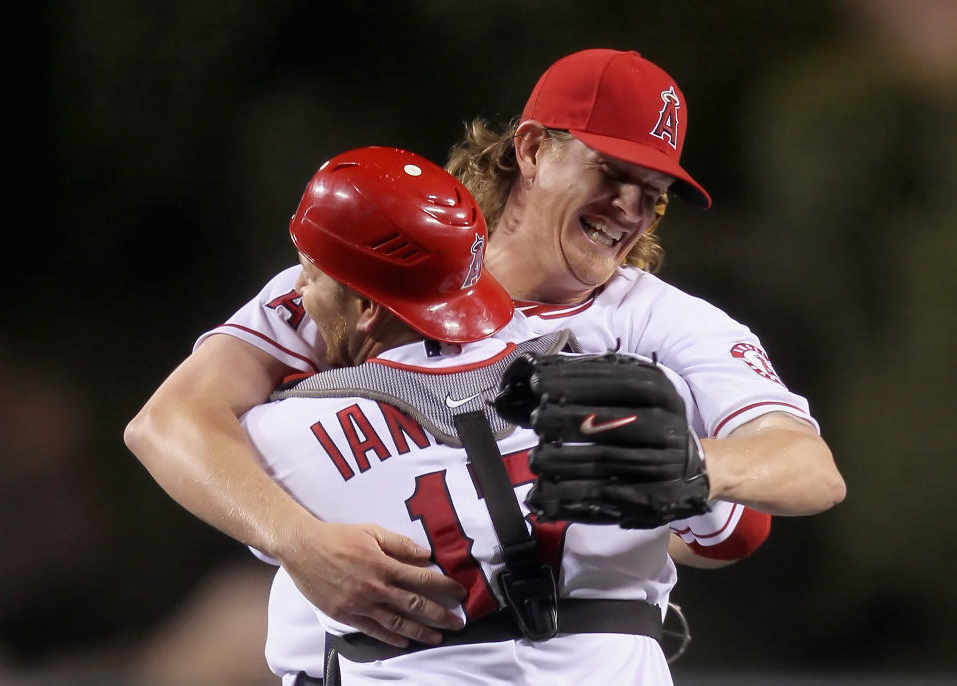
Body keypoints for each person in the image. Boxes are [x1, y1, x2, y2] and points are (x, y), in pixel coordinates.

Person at [124, 48, 845, 650]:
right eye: (612, 173)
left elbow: (807, 470)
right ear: (531, 149)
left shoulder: (663, 322)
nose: (631, 209)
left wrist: (696, 469)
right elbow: (171, 422)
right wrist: (296, 542)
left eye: (652, 193)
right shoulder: (366, 268)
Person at [239, 144, 759, 685]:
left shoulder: (282, 432)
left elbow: (179, 437)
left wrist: (294, 538)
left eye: (310, 278)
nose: (299, 291)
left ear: (369, 308)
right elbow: (736, 532)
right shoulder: (614, 394)